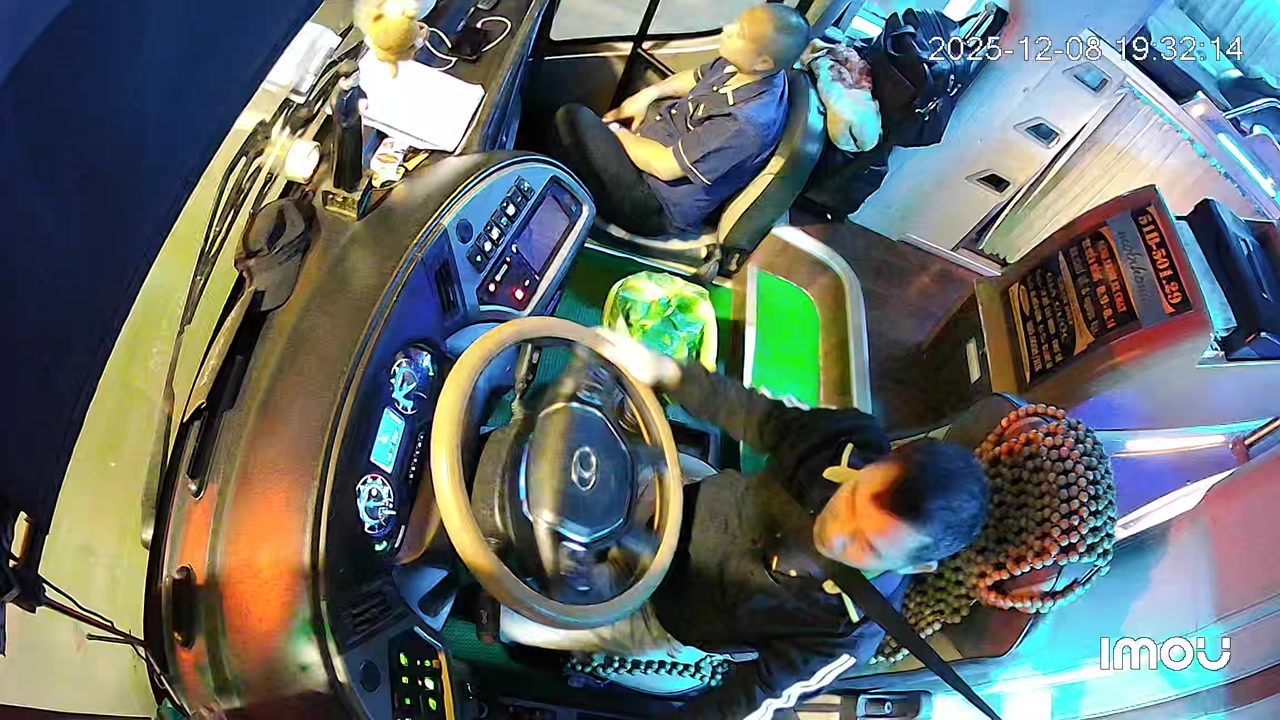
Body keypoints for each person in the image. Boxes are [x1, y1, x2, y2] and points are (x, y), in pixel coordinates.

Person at [593, 330, 991, 719]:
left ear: (915, 566)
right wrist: (663, 370)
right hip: (677, 498)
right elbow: (760, 416)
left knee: (553, 618)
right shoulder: (848, 440)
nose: (834, 532)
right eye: (852, 497)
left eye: (866, 545)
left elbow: (751, 700)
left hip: (659, 611)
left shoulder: (846, 637)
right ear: (883, 460)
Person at [547, 5, 811, 237]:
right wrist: (649, 94)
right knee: (567, 126)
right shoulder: (744, 67)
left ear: (763, 62)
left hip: (653, 202)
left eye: (739, 33)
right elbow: (695, 78)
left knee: (571, 118)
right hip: (651, 148)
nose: (727, 29)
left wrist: (615, 132)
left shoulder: (744, 124)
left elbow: (664, 166)